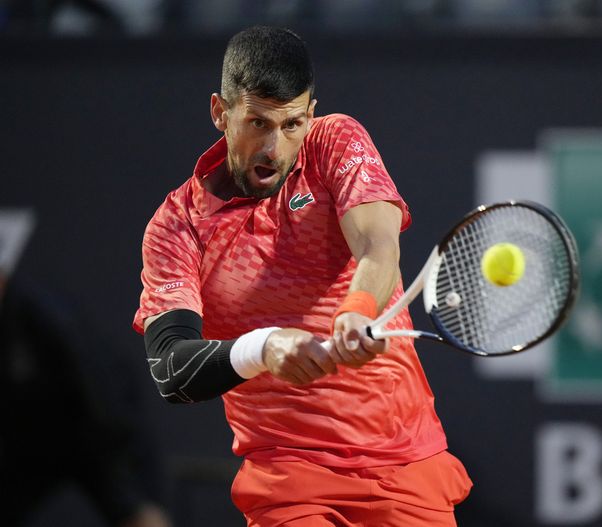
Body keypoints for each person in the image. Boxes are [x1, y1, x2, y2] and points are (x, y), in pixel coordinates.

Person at [133, 25, 471, 527]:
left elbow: (378, 245)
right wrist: (264, 348)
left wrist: (356, 311)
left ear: (311, 115)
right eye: (258, 123)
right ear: (219, 113)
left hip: (404, 463)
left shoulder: (335, 140)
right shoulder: (178, 228)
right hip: (290, 482)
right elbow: (171, 370)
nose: (274, 147)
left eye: (292, 124)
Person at [0, 211, 171, 527]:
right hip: (30, 441)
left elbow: (102, 399)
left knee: (140, 513)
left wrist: (129, 487)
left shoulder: (48, 318)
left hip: (95, 436)